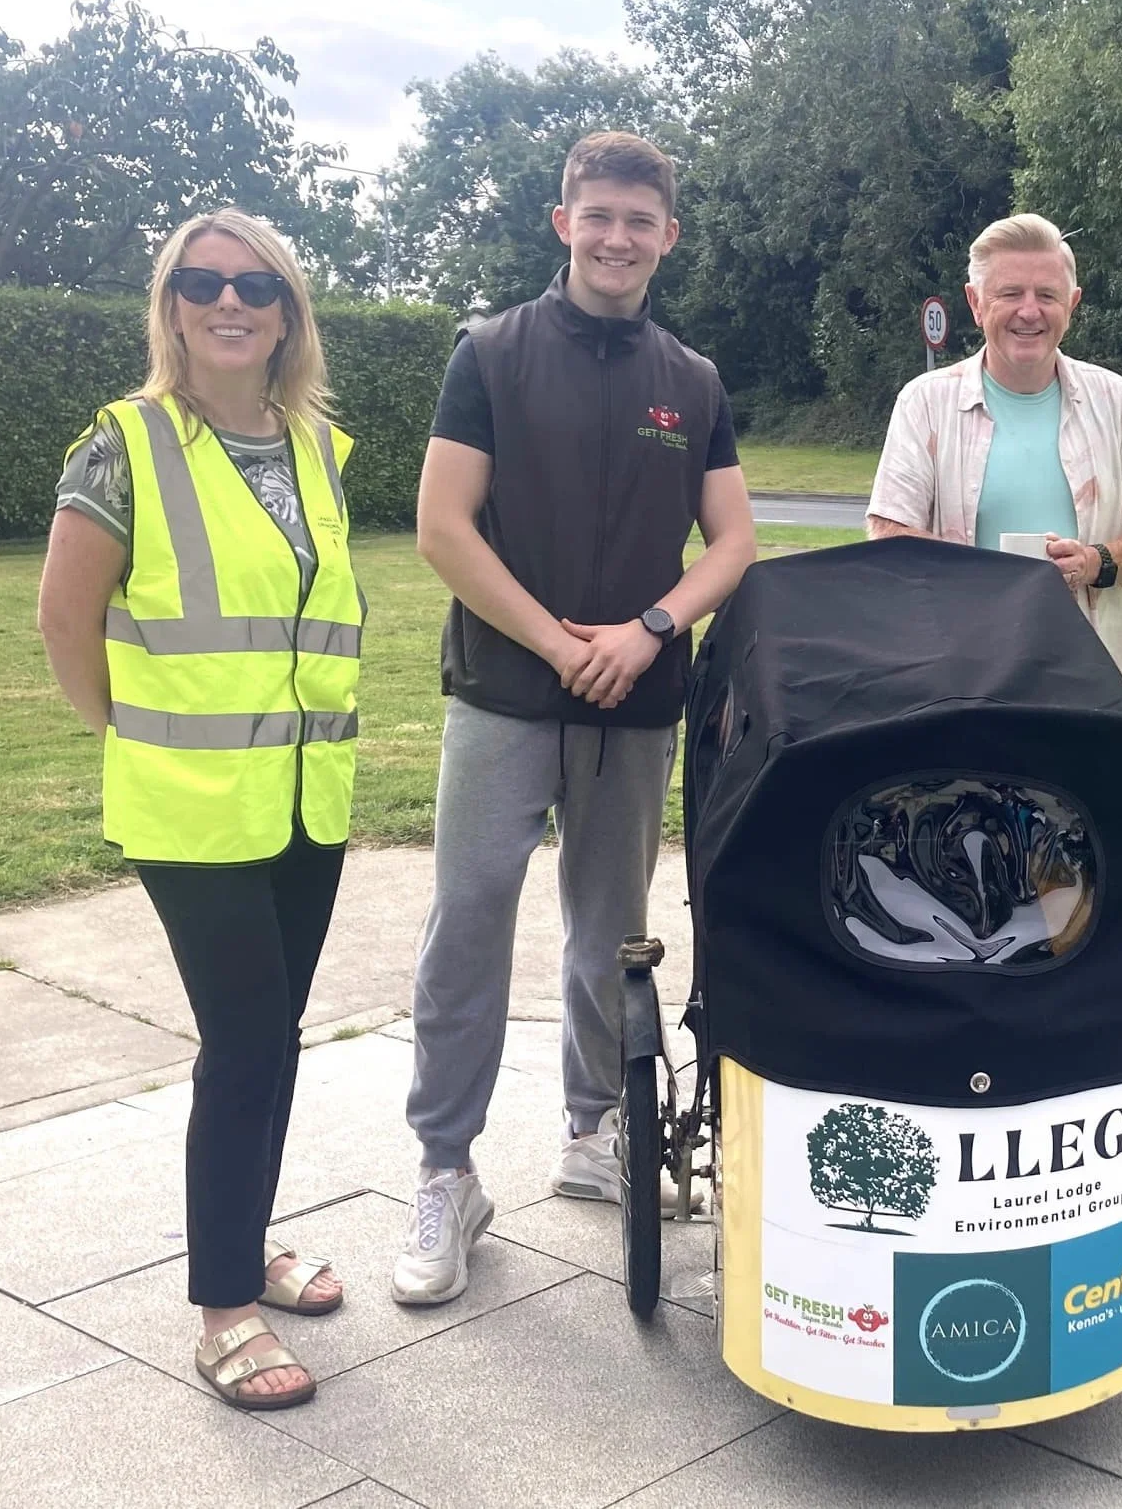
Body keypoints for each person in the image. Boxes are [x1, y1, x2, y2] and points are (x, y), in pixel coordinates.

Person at [394, 131, 756, 1305]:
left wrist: (648, 629)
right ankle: (446, 1170)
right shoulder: (489, 353)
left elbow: (734, 543)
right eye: (595, 215)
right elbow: (444, 525)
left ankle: (594, 1131)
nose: (615, 238)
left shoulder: (690, 381)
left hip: (636, 699)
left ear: (669, 236)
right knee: (469, 924)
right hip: (505, 693)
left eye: (637, 221)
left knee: (611, 926)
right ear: (563, 222)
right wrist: (558, 642)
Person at [38, 209, 360, 1409]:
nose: (231, 302)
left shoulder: (317, 446)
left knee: (272, 1041)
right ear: (171, 305)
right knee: (245, 1044)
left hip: (301, 801)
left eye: (257, 285)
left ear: (288, 313)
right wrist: (122, 731)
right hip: (188, 807)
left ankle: (247, 1243)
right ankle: (224, 1306)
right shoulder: (124, 442)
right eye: (203, 282)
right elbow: (66, 621)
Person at [865, 212, 1122, 687]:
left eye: (1046, 295)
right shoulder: (925, 403)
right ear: (975, 302)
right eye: (1010, 294)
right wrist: (988, 575)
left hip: (1090, 681)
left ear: (1071, 304)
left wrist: (1096, 562)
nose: (1029, 311)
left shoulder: (1115, 400)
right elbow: (886, 532)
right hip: (959, 678)